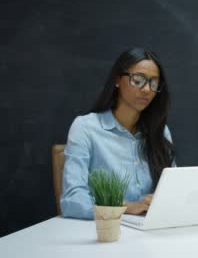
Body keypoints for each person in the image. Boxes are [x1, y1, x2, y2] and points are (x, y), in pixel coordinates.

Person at [61, 48, 175, 219]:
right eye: (138, 80)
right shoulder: (85, 127)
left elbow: (173, 192)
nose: (146, 89)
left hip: (149, 231)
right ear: (117, 80)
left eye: (154, 83)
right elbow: (72, 201)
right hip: (103, 232)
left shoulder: (160, 131)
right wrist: (127, 207)